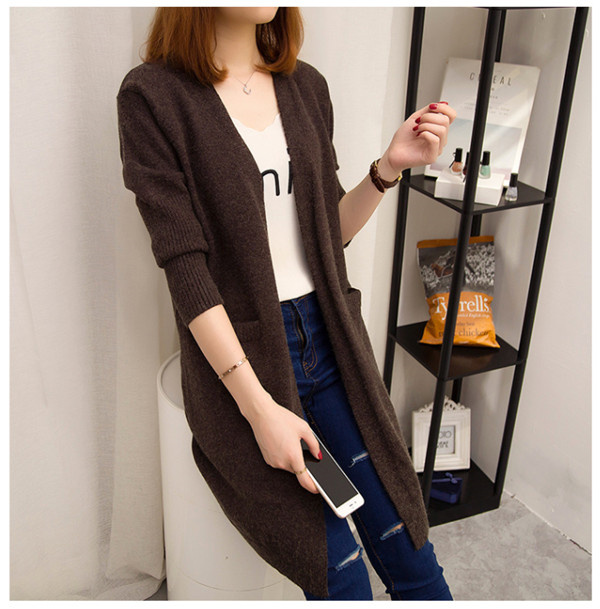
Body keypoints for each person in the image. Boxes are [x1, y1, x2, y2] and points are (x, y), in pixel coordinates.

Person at [117, 7, 456, 601]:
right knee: (338, 569)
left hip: (332, 345)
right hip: (245, 365)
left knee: (409, 544)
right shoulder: (153, 97)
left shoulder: (306, 87)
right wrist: (259, 412)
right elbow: (186, 270)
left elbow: (326, 238)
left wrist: (389, 168)